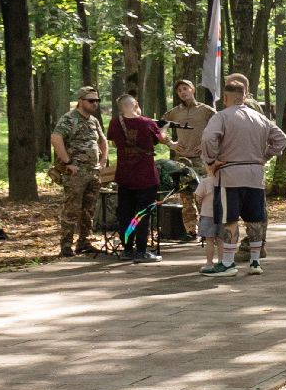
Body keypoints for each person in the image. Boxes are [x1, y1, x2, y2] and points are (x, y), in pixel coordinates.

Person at [200, 73, 286, 277]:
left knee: (229, 219)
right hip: (255, 176)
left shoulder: (221, 116)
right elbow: (281, 139)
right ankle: (255, 262)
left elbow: (208, 137)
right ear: (244, 96)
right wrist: (265, 156)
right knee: (254, 219)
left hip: (229, 174)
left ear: (227, 98)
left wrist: (211, 160)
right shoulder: (260, 118)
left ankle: (228, 263)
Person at [50, 86, 108, 258]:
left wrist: (103, 160)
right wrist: (67, 162)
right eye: (91, 101)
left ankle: (84, 242)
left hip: (93, 172)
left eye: (97, 100)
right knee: (71, 208)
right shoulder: (69, 119)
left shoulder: (93, 121)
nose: (95, 104)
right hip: (76, 173)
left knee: (89, 209)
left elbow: (102, 141)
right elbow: (56, 138)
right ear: (81, 101)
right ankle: (66, 245)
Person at [107, 94, 167, 263]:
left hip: (124, 176)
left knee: (127, 215)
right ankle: (141, 250)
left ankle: (127, 249)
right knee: (142, 214)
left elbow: (113, 142)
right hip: (145, 177)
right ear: (136, 105)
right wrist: (164, 128)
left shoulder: (115, 123)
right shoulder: (147, 123)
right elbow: (160, 139)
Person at [161, 78, 216, 241]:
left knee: (204, 196)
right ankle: (191, 231)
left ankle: (208, 231)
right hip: (183, 160)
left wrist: (207, 144)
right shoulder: (174, 112)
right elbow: (159, 128)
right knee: (186, 197)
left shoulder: (206, 110)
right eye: (179, 90)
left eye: (185, 88)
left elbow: (220, 129)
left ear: (192, 90)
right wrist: (171, 144)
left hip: (202, 160)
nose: (183, 92)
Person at [192, 170, 225, 275]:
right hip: (223, 214)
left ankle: (209, 264)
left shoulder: (205, 182)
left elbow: (198, 197)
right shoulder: (227, 181)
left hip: (207, 214)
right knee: (221, 240)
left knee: (209, 240)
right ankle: (221, 262)